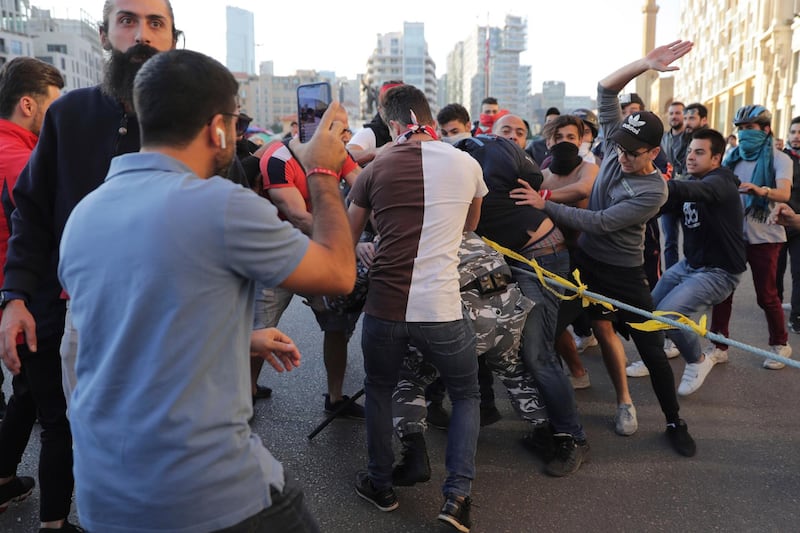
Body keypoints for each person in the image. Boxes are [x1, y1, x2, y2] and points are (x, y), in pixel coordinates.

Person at [58, 48, 356, 533]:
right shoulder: (221, 206)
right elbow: (339, 273)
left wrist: (240, 337)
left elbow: (113, 329)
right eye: (236, 121)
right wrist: (322, 171)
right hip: (203, 494)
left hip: (103, 496)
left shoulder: (85, 212)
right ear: (218, 126)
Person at [0, 2, 183, 531]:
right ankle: (55, 524)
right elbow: (29, 215)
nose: (140, 34)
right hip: (62, 310)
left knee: (152, 440)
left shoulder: (194, 121)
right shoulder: (68, 114)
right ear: (104, 35)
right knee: (62, 429)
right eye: (127, 20)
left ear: (173, 38)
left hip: (160, 318)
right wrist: (14, 299)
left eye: (155, 23)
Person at [511, 41, 698, 457]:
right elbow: (605, 91)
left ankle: (673, 420)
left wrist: (547, 203)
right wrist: (644, 65)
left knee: (650, 350)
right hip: (585, 266)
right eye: (620, 149)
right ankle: (552, 412)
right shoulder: (617, 142)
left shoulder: (654, 189)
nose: (622, 157)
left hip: (624, 274)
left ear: (654, 153)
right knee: (544, 330)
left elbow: (598, 222)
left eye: (634, 154)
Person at [347, 84, 486, 532]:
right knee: (466, 394)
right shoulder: (467, 163)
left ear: (392, 125)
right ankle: (457, 498)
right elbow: (469, 228)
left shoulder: (376, 166)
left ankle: (380, 484)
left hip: (386, 306)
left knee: (379, 389)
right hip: (442, 308)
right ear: (426, 115)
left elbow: (348, 239)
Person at [466, 126, 591, 478]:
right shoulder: (449, 159)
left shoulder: (486, 148)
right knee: (505, 345)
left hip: (541, 257)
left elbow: (533, 174)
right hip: (506, 260)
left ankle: (573, 438)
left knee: (538, 353)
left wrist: (531, 192)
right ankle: (544, 428)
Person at [255, 114, 364, 418]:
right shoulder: (278, 157)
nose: (344, 136)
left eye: (344, 131)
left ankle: (335, 396)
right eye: (337, 130)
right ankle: (247, 391)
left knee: (337, 325)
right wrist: (345, 242)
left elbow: (364, 187)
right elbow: (296, 214)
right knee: (260, 329)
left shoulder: (337, 153)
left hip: (318, 248)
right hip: (275, 254)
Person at [625, 129, 746, 395]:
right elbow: (660, 205)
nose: (691, 156)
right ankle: (654, 358)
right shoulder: (691, 181)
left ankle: (697, 361)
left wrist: (656, 183)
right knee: (650, 310)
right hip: (689, 265)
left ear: (716, 158)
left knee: (669, 315)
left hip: (719, 272)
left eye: (699, 152)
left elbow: (695, 190)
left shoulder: (722, 181)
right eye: (690, 151)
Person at [0, 56, 64, 523]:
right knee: (57, 420)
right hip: (26, 299)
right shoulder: (23, 159)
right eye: (54, 110)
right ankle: (54, 522)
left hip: (14, 298)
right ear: (28, 104)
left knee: (26, 392)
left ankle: (2, 479)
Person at [706, 105, 793, 369]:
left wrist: (761, 190)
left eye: (750, 128)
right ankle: (719, 345)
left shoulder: (780, 159)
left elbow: (785, 193)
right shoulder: (732, 156)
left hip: (766, 235)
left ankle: (780, 344)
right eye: (741, 129)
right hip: (734, 235)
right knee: (723, 292)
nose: (744, 134)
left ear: (765, 129)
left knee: (766, 295)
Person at [537, 114, 599, 389]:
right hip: (553, 258)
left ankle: (623, 396)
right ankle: (576, 373)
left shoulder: (588, 167)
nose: (564, 142)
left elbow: (583, 189)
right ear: (548, 140)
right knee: (553, 321)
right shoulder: (543, 174)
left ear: (581, 139)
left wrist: (543, 198)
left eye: (571, 137)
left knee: (604, 325)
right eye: (558, 137)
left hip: (588, 257)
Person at [776, 116, 800, 333]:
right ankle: (774, 308)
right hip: (779, 222)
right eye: (793, 132)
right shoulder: (781, 159)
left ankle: (797, 317)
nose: (796, 136)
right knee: (776, 271)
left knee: (799, 271)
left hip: (799, 224)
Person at [346, 80, 403, 166]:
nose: (394, 111)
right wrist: (377, 151)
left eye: (399, 106)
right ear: (380, 109)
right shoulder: (370, 132)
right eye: (389, 106)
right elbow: (347, 155)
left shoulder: (416, 129)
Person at [660, 101, 686, 270]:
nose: (674, 116)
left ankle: (690, 275)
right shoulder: (663, 138)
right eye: (671, 113)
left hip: (688, 195)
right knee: (670, 241)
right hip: (668, 196)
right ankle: (671, 276)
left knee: (693, 240)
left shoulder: (692, 137)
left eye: (677, 113)